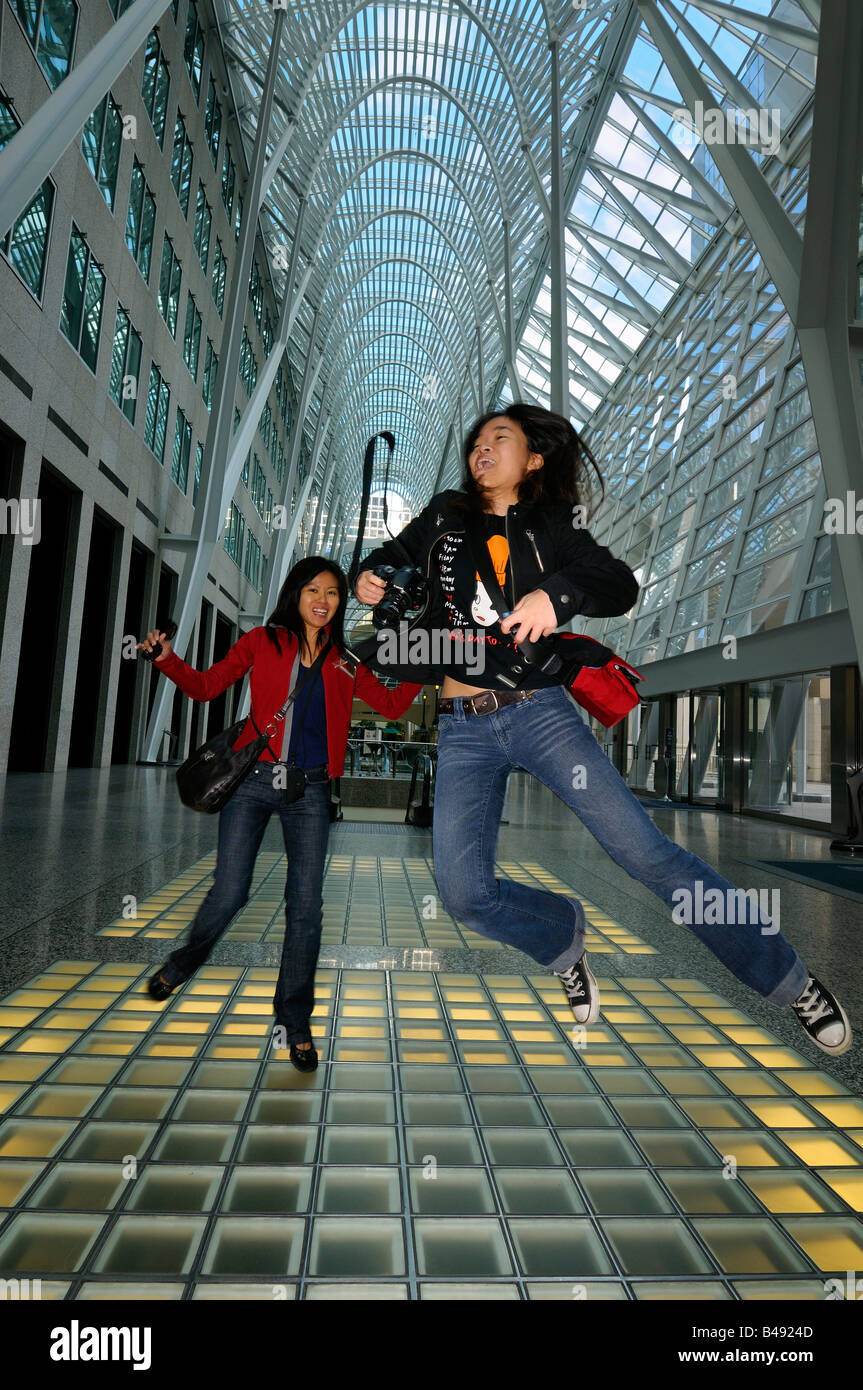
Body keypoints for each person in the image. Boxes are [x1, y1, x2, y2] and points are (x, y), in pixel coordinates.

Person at [354, 404, 852, 1057]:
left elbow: (614, 583)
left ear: (532, 458)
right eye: (477, 439)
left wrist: (555, 596)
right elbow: (390, 558)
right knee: (464, 894)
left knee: (647, 854)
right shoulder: (445, 514)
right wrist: (372, 575)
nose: (482, 446)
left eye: (498, 437)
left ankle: (790, 983)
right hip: (462, 728)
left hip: (538, 713)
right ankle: (561, 937)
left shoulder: (553, 524)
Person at [137, 557, 422, 1071]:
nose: (323, 599)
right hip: (250, 785)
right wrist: (165, 659)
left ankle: (295, 1021)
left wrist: (426, 666)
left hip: (310, 793)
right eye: (313, 589)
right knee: (229, 893)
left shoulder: (345, 661)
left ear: (341, 603)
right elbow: (207, 686)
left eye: (333, 592)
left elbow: (394, 707)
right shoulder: (264, 641)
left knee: (306, 908)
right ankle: (182, 964)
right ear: (296, 594)